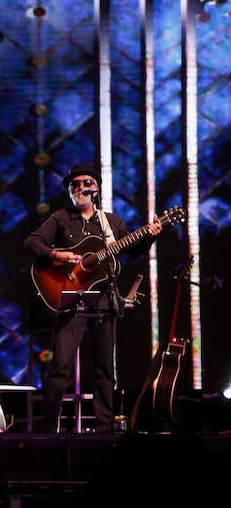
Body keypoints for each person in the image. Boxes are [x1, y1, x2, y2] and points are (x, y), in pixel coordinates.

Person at [24, 163, 163, 433]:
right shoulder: (61, 218)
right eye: (74, 184)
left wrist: (149, 237)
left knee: (104, 368)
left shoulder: (111, 223)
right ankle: (47, 429)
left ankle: (103, 429)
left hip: (102, 300)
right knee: (60, 368)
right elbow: (32, 242)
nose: (79, 188)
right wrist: (56, 255)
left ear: (95, 188)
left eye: (85, 183)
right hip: (70, 300)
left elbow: (132, 250)